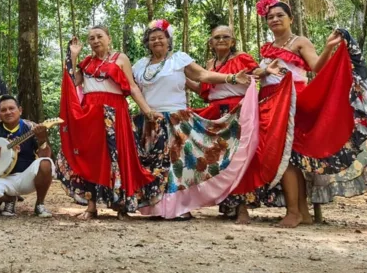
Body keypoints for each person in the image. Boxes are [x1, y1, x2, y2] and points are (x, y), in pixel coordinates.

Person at [230, 0, 367, 227]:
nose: (274, 19)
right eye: (270, 17)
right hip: (269, 102)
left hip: (292, 101)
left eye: (279, 15)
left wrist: (328, 47)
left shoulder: (300, 41)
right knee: (286, 157)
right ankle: (302, 211)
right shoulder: (268, 47)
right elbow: (259, 76)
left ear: (291, 18)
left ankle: (294, 212)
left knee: (286, 156)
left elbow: (317, 68)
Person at [130, 19, 259, 220]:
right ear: (147, 42)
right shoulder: (139, 65)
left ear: (168, 40)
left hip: (177, 118)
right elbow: (132, 87)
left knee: (177, 164)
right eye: (152, 38)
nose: (157, 41)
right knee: (154, 165)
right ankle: (156, 208)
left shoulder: (179, 59)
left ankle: (179, 208)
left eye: (161, 38)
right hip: (150, 120)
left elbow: (203, 76)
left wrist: (232, 78)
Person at [56, 25, 157, 220]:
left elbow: (133, 88)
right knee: (91, 158)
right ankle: (91, 206)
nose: (95, 40)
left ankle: (121, 207)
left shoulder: (120, 59)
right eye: (91, 38)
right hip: (90, 114)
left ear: (109, 38)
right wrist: (73, 56)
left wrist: (148, 111)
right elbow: (69, 82)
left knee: (118, 157)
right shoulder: (85, 63)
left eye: (99, 36)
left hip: (115, 113)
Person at [187, 25, 279, 224]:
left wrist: (266, 71)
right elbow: (204, 90)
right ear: (210, 42)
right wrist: (180, 78)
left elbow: (256, 72)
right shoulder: (210, 63)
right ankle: (227, 204)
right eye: (217, 37)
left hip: (237, 111)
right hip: (215, 112)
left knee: (239, 158)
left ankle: (243, 208)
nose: (221, 40)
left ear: (233, 41)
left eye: (225, 37)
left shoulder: (241, 58)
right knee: (219, 160)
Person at [0, 95, 54, 217]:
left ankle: (40, 204)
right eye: (3, 110)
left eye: (11, 108)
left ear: (20, 110)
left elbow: (44, 156)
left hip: (26, 177)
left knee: (46, 163)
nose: (8, 112)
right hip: (2, 179)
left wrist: (42, 140)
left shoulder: (31, 128)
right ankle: (9, 199)